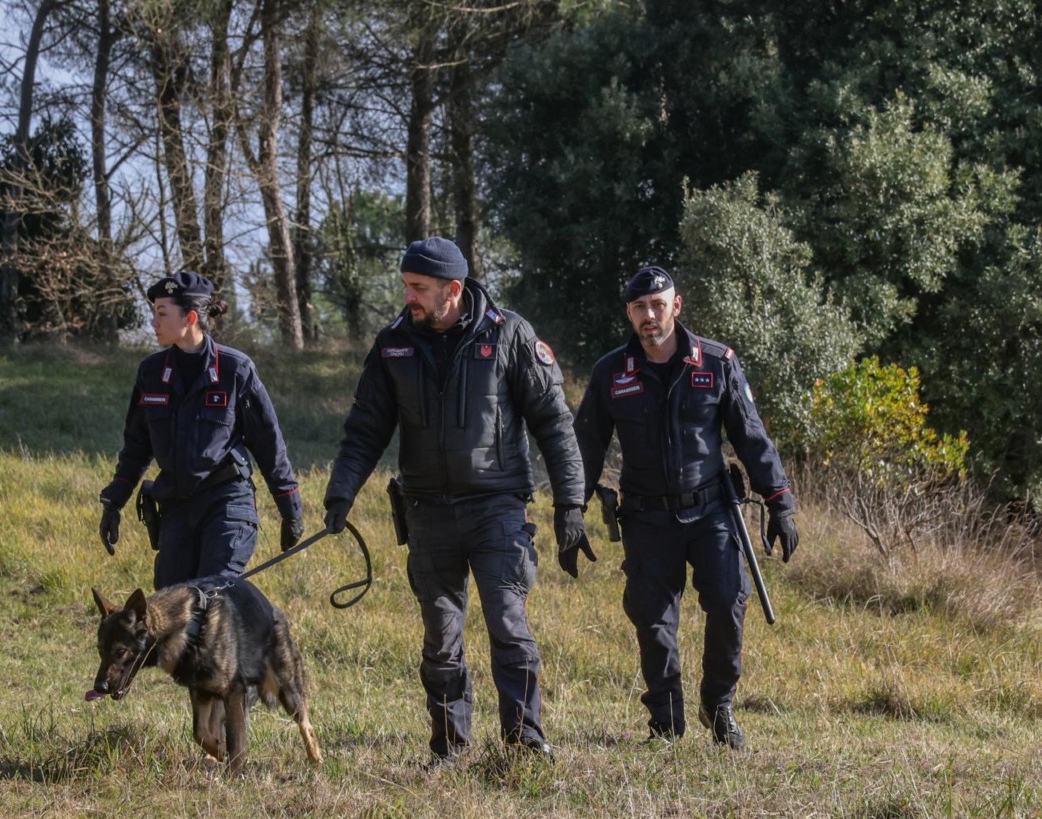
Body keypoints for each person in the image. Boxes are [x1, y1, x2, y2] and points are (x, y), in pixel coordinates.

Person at [322, 236, 593, 766]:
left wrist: (571, 504)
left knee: (508, 624)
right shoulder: (393, 344)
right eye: (406, 286)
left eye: (419, 288)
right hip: (427, 512)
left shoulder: (509, 334)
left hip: (498, 508)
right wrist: (341, 492)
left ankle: (525, 743)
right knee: (441, 637)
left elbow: (555, 424)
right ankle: (449, 748)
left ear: (453, 288)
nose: (409, 297)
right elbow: (365, 429)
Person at [573, 265, 799, 750]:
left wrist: (779, 500)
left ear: (676, 306)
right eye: (640, 308)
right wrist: (571, 509)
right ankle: (666, 722)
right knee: (653, 620)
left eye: (658, 305)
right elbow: (586, 445)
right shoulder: (612, 372)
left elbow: (750, 434)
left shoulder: (716, 362)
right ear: (629, 313)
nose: (649, 316)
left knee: (729, 601)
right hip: (646, 517)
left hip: (712, 511)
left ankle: (718, 706)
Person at [98, 271, 303, 588]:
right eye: (154, 313)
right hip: (176, 506)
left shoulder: (235, 369)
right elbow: (137, 447)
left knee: (213, 593)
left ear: (190, 317)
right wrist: (114, 502)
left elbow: (268, 443)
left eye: (162, 313)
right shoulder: (151, 372)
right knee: (171, 602)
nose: (153, 322)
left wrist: (290, 510)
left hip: (227, 503)